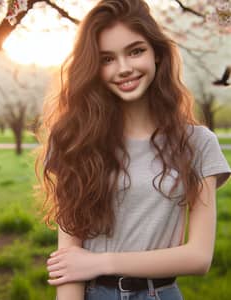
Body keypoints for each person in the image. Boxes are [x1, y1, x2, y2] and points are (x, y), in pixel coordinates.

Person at [36, 0, 231, 299]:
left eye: (135, 51)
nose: (124, 68)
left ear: (157, 54)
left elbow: (199, 257)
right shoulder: (74, 141)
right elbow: (70, 261)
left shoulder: (197, 143)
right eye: (106, 59)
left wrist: (100, 262)